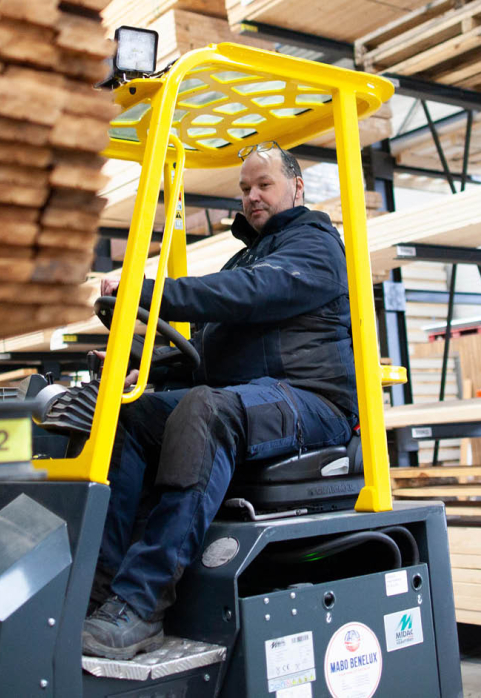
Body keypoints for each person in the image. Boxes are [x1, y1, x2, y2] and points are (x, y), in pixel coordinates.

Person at [82, 142, 358, 660]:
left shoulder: (314, 244)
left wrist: (150, 291)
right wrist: (141, 362)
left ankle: (142, 604)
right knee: (131, 413)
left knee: (204, 410)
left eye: (264, 184)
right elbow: (207, 352)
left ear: (297, 187)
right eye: (245, 188)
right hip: (256, 396)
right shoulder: (247, 255)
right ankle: (101, 593)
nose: (252, 196)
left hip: (313, 400)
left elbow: (247, 292)